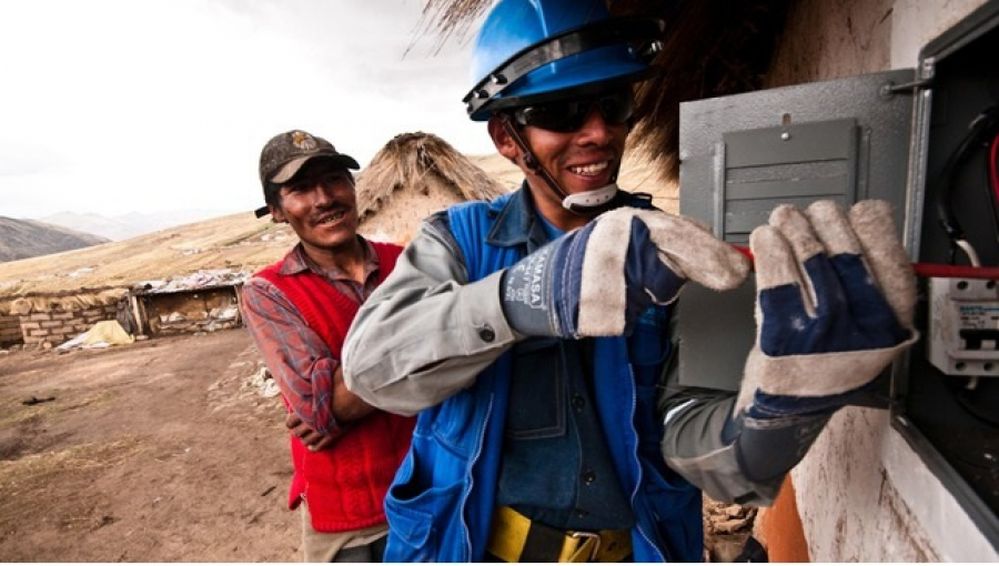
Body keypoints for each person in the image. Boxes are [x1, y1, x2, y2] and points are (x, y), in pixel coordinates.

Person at [342, 0, 917, 562]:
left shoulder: (672, 252)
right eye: (561, 112)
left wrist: (780, 412)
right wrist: (526, 297)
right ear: (507, 139)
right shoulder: (460, 242)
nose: (596, 133)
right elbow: (373, 369)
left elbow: (697, 442)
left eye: (612, 104)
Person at [241, 130, 415, 562]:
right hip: (351, 516)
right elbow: (322, 408)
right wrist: (428, 347)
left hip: (438, 490)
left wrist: (345, 392)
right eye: (300, 189)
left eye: (335, 179)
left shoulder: (411, 263)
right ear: (278, 211)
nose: (324, 198)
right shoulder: (268, 292)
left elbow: (338, 401)